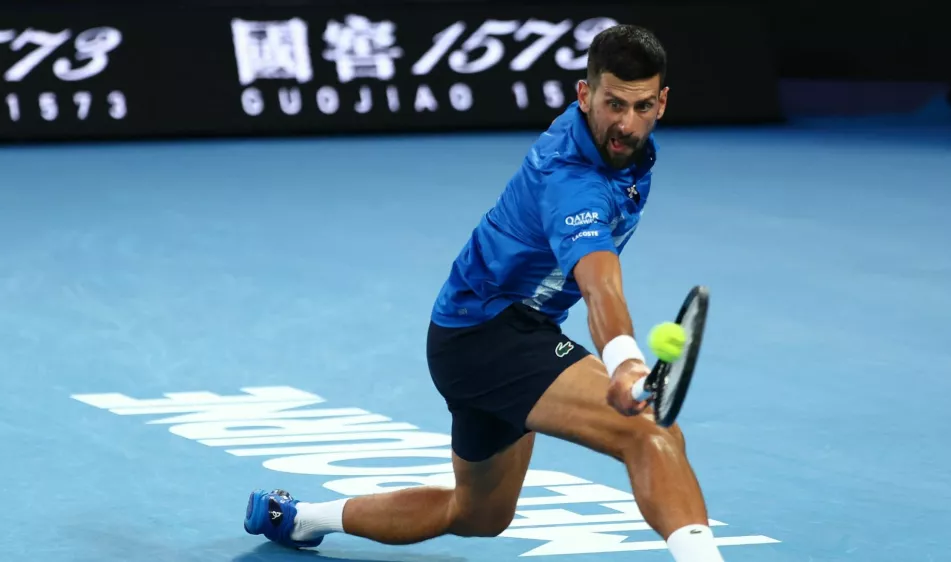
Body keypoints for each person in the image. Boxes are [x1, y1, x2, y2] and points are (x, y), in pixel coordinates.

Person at [244, 23, 725, 562]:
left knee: (478, 515)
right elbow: (599, 283)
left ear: (661, 103)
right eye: (613, 104)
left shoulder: (628, 150)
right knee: (651, 434)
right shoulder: (571, 180)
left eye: (640, 107)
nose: (626, 123)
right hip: (492, 335)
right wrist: (625, 362)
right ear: (584, 94)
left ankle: (302, 520)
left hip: (471, 334)